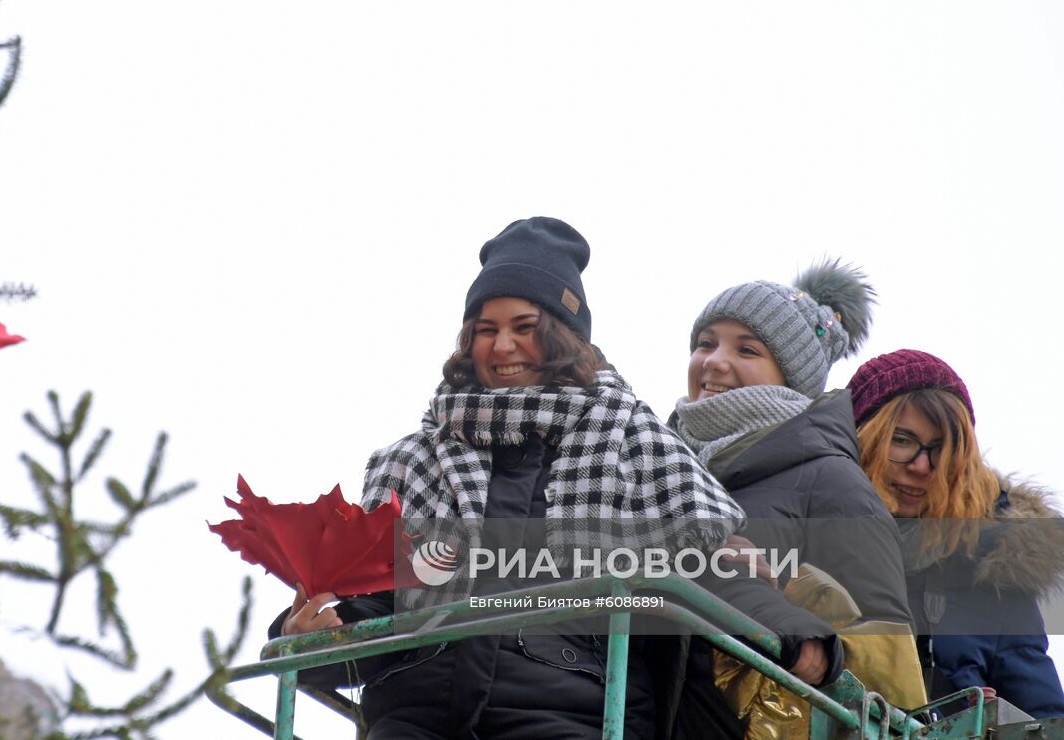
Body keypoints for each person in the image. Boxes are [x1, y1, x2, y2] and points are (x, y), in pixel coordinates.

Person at [275, 217, 750, 740]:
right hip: (417, 715)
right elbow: (377, 604)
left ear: (564, 337)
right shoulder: (412, 460)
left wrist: (803, 639)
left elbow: (715, 571)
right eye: (486, 329)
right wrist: (321, 632)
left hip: (576, 714)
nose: (503, 347)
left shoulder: (638, 445)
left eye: (524, 328)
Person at [668, 261, 926, 731]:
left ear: (793, 378)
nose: (714, 361)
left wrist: (785, 598)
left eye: (746, 349)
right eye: (706, 343)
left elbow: (890, 670)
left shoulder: (833, 481)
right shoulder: (654, 465)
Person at [848, 349, 1064, 718]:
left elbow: (1044, 720)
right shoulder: (805, 535)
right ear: (863, 438)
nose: (921, 467)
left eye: (941, 450)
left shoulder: (995, 572)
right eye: (901, 440)